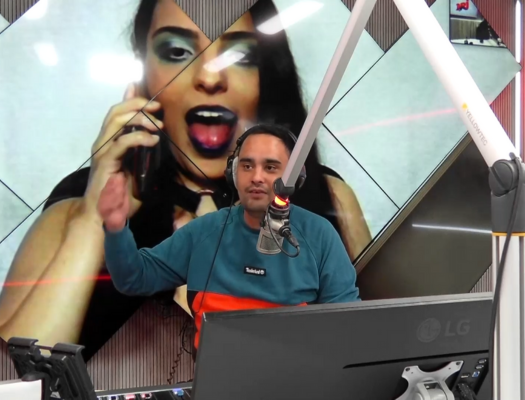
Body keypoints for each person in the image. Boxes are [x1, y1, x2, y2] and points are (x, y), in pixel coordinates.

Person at [0, 0, 370, 359]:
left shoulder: (326, 200)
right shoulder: (74, 211)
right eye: (177, 52)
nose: (209, 77)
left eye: (239, 56)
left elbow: (376, 349)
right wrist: (92, 223)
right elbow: (16, 381)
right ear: (143, 80)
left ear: (267, 78)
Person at [99, 124, 361, 350]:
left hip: (293, 381)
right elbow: (135, 278)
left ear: (295, 177)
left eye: (270, 167)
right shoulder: (204, 232)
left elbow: (347, 324)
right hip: (214, 382)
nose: (256, 177)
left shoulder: (319, 235)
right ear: (233, 173)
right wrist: (115, 227)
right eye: (247, 166)